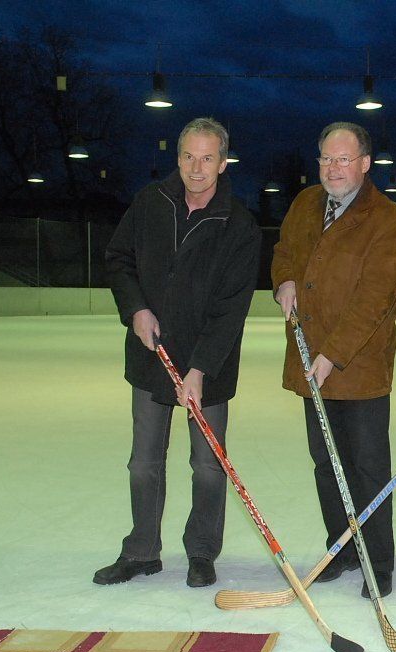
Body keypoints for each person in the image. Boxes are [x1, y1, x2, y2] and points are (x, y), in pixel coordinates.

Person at [96, 117, 261, 588]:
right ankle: (141, 551)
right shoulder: (151, 202)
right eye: (189, 156)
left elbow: (231, 309)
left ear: (223, 163)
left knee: (207, 465)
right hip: (151, 358)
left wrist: (200, 369)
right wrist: (136, 309)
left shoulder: (239, 225)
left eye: (208, 158)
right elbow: (119, 259)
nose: (196, 167)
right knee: (143, 462)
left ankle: (202, 552)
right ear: (178, 156)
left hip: (209, 366)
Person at [271, 121, 396, 599]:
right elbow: (284, 252)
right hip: (310, 359)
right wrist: (284, 281)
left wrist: (332, 354)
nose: (333, 168)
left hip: (359, 367)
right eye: (326, 159)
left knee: (367, 467)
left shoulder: (386, 218)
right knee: (326, 463)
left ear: (365, 164)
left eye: (344, 159)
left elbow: (375, 298)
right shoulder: (305, 204)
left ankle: (378, 561)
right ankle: (342, 548)